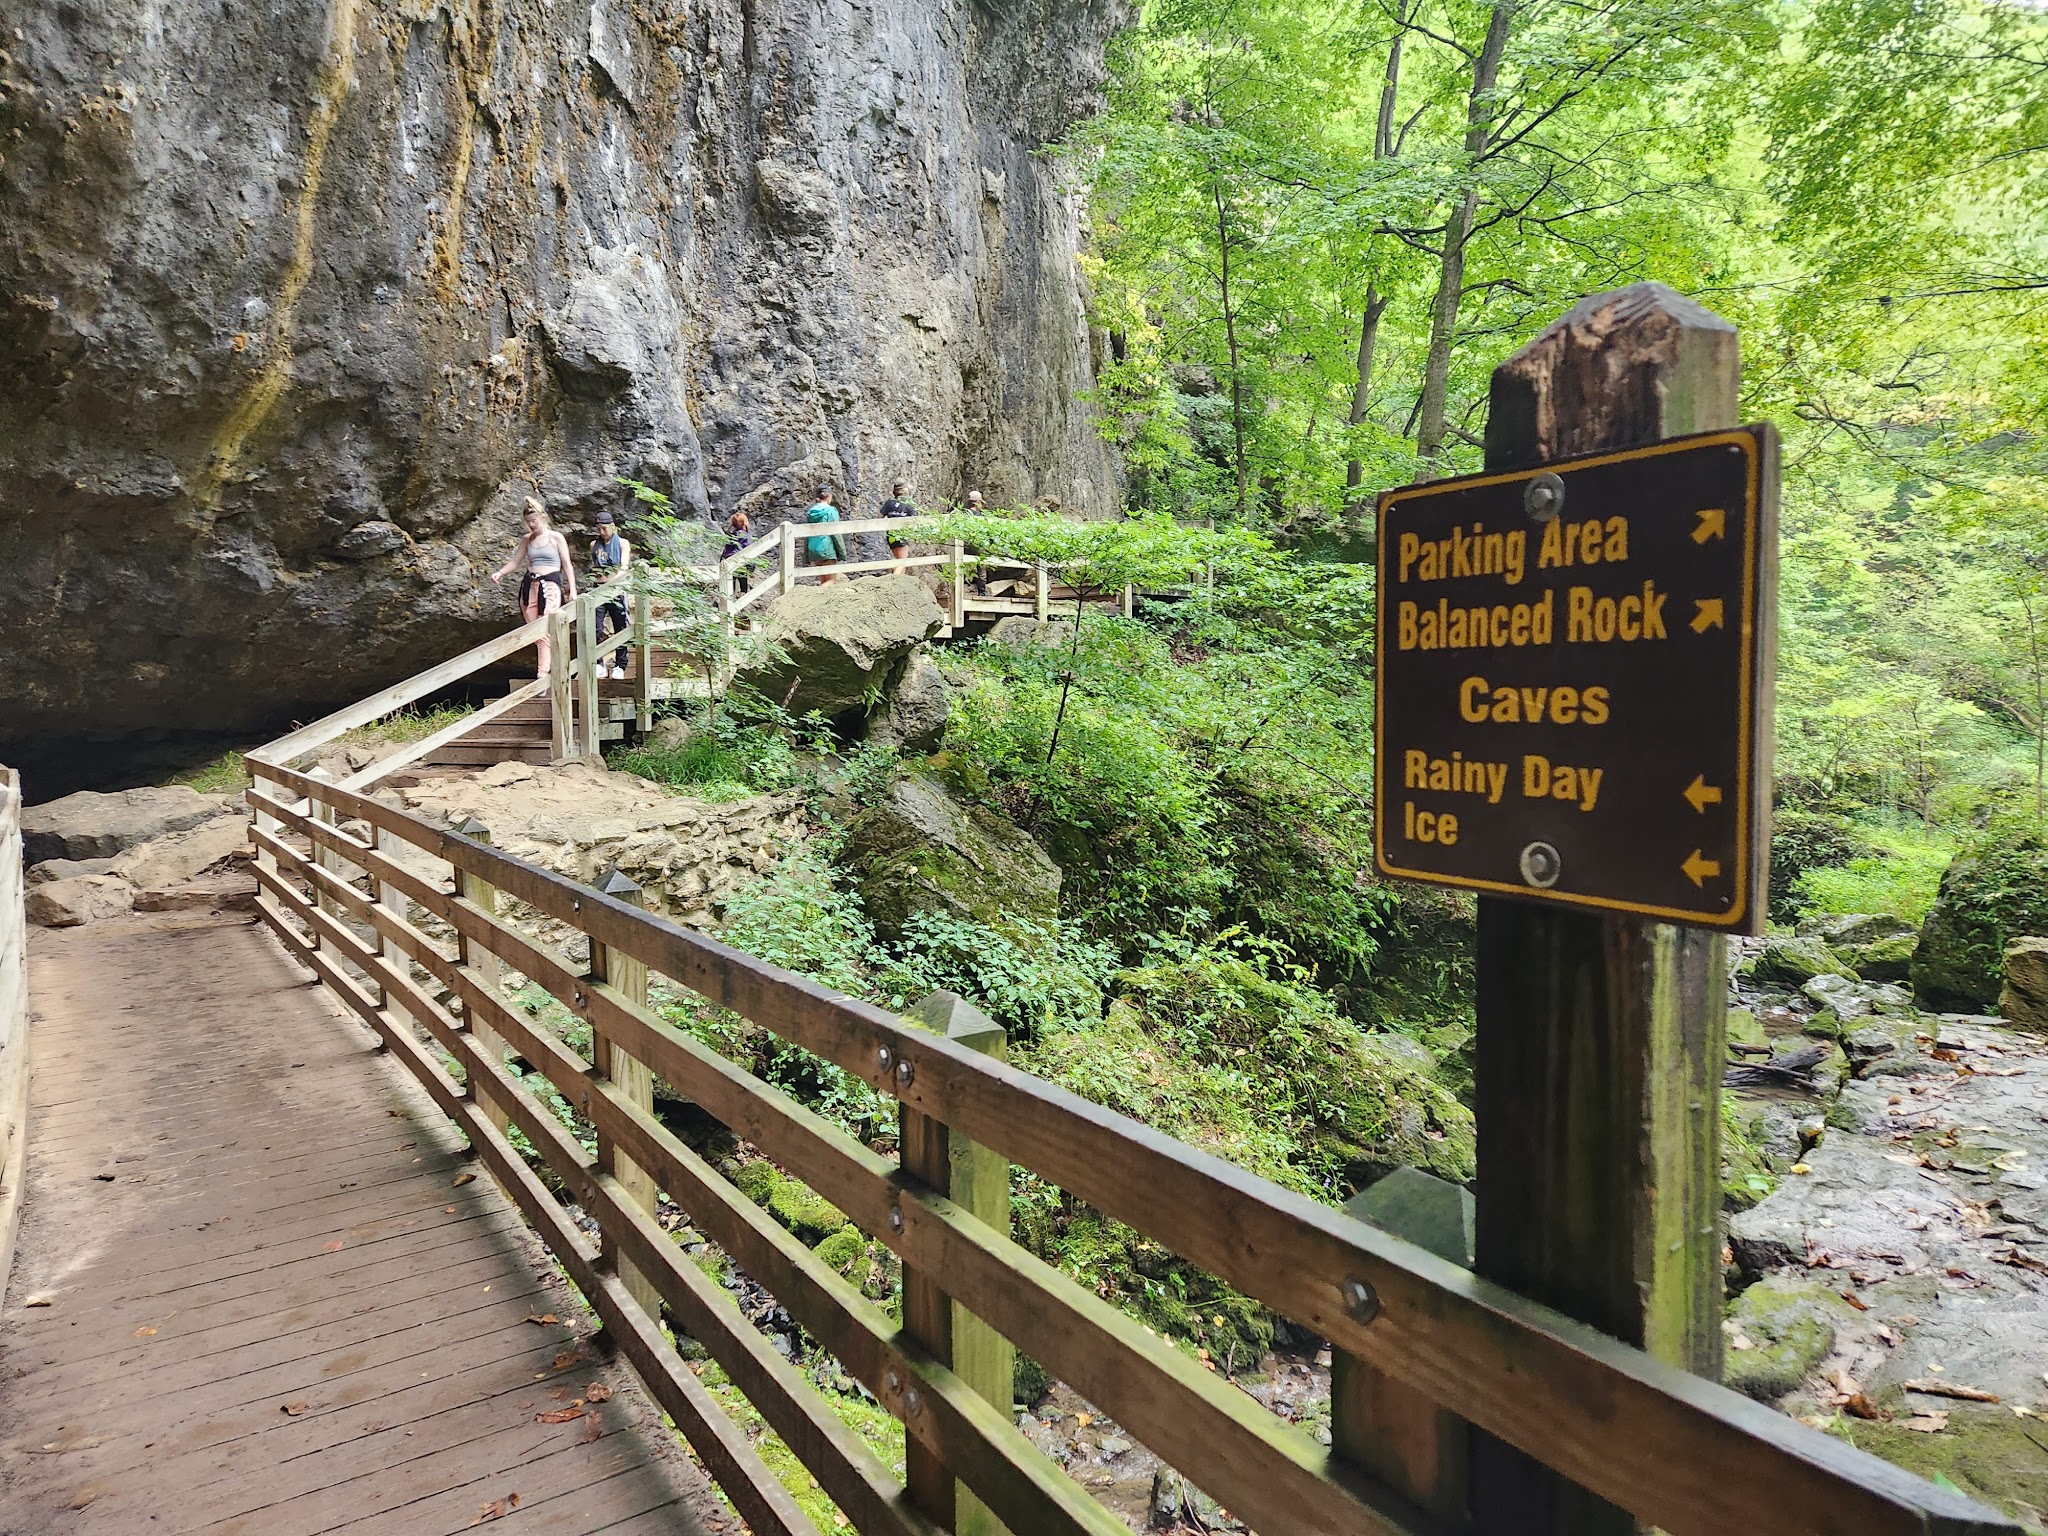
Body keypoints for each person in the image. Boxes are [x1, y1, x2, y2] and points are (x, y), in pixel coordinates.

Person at [490, 497, 577, 679]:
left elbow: (567, 565)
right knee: (535, 630)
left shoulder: (556, 538)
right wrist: (500, 573)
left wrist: (572, 589)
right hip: (530, 586)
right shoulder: (527, 540)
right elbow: (516, 562)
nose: (531, 525)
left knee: (545, 625)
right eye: (528, 522)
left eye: (534, 521)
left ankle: (542, 673)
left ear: (543, 517)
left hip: (550, 585)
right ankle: (549, 668)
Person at [589, 508, 633, 679]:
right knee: (595, 627)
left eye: (605, 528)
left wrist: (616, 581)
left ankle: (620, 665)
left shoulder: (623, 543)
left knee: (620, 626)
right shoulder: (594, 545)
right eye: (599, 529)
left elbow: (624, 566)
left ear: (613, 526)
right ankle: (598, 662)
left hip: (616, 589)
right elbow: (594, 568)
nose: (602, 532)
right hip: (598, 589)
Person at [804, 486, 844, 584]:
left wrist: (806, 554)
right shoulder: (830, 511)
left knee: (823, 580)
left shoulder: (811, 512)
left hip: (813, 548)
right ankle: (814, 598)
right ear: (829, 495)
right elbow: (835, 532)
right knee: (831, 581)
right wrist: (842, 551)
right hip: (827, 548)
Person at [880, 481, 916, 574]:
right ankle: (894, 580)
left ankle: (899, 580)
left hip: (890, 535)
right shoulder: (909, 504)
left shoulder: (889, 503)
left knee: (899, 560)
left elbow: (879, 517)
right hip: (902, 535)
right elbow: (914, 521)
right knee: (903, 561)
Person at [722, 509, 755, 594]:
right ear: (745, 523)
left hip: (729, 565)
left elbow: (726, 551)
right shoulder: (746, 536)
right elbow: (749, 550)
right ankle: (742, 600)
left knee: (729, 587)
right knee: (743, 586)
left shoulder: (732, 535)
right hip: (740, 564)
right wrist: (751, 566)